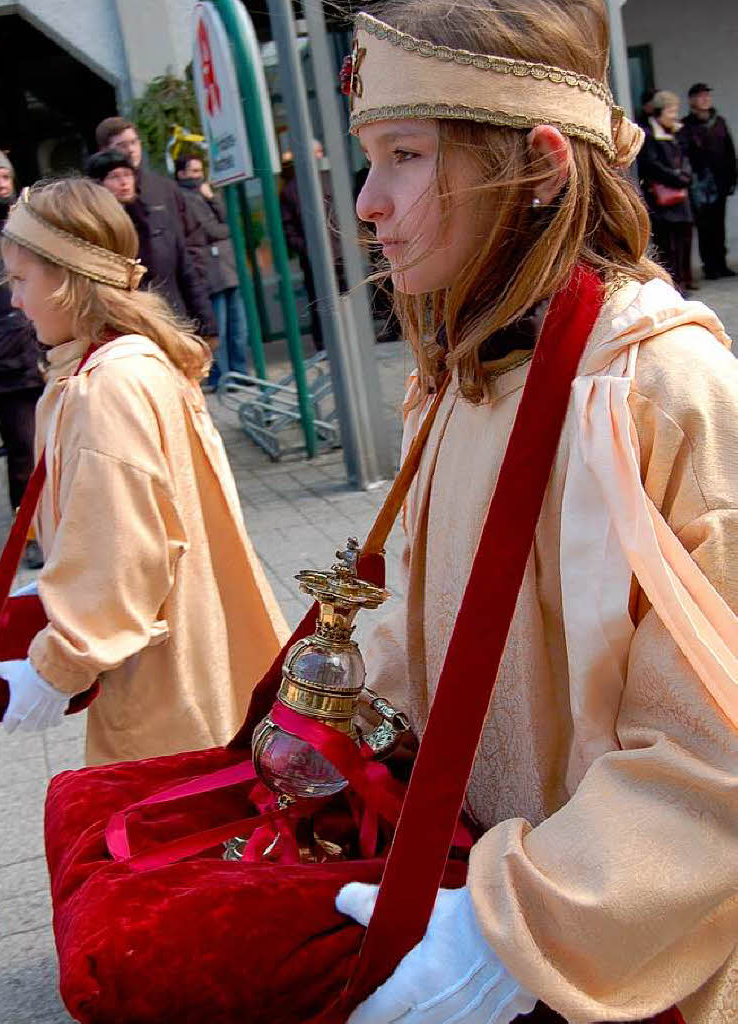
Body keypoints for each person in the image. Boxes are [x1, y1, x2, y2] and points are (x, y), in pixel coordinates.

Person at [332, 3, 737, 1023]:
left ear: (542, 163)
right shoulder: (460, 373)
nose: (367, 203)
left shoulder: (660, 383)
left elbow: (715, 744)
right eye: (367, 159)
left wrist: (512, 938)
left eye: (405, 156)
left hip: (630, 967)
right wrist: (354, 711)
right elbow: (441, 614)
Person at [0, 178, 288, 766]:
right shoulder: (136, 361)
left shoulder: (107, 386)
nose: (14, 301)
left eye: (21, 280)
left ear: (69, 279)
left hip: (165, 683)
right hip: (198, 652)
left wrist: (57, 667)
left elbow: (122, 551)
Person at [0, 144, 44, 568]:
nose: (0, 184)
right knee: (25, 450)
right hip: (2, 360)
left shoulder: (27, 224)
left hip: (44, 349)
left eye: (5, 177)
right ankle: (29, 536)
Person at [93, 118, 217, 337]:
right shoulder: (96, 214)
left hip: (176, 307)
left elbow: (191, 244)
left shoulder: (164, 189)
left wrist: (200, 310)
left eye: (134, 142)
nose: (130, 150)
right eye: (121, 145)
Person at [174, 154, 249, 388]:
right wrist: (227, 229)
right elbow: (212, 230)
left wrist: (213, 199)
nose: (198, 176)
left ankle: (239, 373)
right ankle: (221, 377)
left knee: (239, 328)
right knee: (220, 330)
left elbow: (231, 224)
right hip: (210, 272)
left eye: (200, 171)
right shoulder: (184, 197)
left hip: (228, 269)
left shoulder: (206, 194)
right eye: (193, 171)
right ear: (181, 174)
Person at [280, 140, 346, 352]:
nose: (319, 156)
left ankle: (348, 337)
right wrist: (307, 249)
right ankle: (324, 344)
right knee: (320, 301)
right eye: (314, 152)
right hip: (313, 259)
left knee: (345, 297)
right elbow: (287, 228)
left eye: (320, 152)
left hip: (339, 253)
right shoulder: (291, 189)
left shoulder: (330, 179)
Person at [638, 91, 695, 294]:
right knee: (668, 244)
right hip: (662, 200)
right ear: (659, 111)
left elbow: (687, 158)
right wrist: (677, 177)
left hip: (681, 197)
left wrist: (685, 176)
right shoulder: (649, 135)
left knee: (684, 240)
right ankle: (672, 285)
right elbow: (652, 165)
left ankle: (684, 280)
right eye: (671, 110)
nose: (674, 115)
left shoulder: (677, 133)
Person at [679, 83, 737, 279]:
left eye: (707, 96)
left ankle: (721, 263)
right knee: (704, 226)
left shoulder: (719, 122)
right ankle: (709, 265)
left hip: (719, 182)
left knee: (719, 224)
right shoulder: (686, 125)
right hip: (698, 186)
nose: (705, 99)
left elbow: (729, 151)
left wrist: (731, 178)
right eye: (701, 96)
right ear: (692, 100)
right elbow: (683, 154)